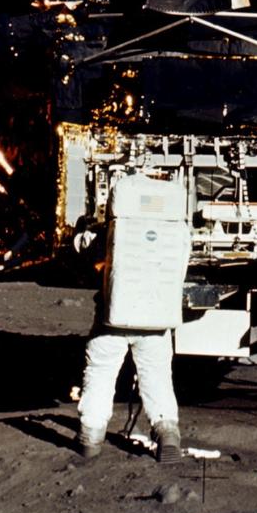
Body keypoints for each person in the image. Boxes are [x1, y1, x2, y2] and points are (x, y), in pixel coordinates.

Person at [73, 172, 190, 463]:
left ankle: (91, 436)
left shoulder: (109, 233)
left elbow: (83, 249)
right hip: (156, 321)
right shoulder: (180, 233)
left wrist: (82, 233)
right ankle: (167, 434)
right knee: (158, 378)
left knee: (100, 375)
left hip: (112, 320)